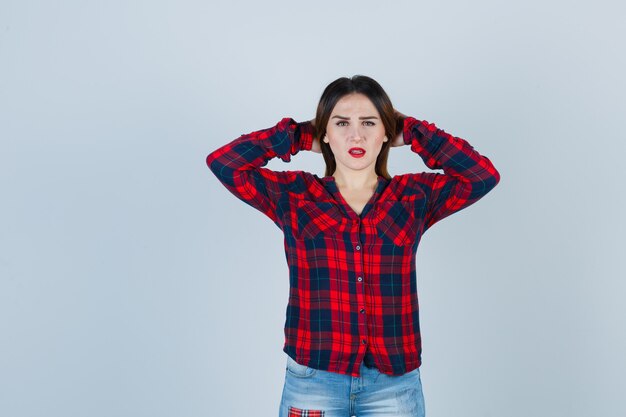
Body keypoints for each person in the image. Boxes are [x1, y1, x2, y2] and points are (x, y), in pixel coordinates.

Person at [206, 75, 500, 417]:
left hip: (394, 384)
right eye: (341, 123)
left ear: (386, 132)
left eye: (369, 122)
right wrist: (300, 135)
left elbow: (482, 176)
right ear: (324, 133)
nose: (356, 135)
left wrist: (415, 131)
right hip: (314, 380)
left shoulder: (413, 197)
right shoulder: (294, 196)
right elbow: (224, 163)